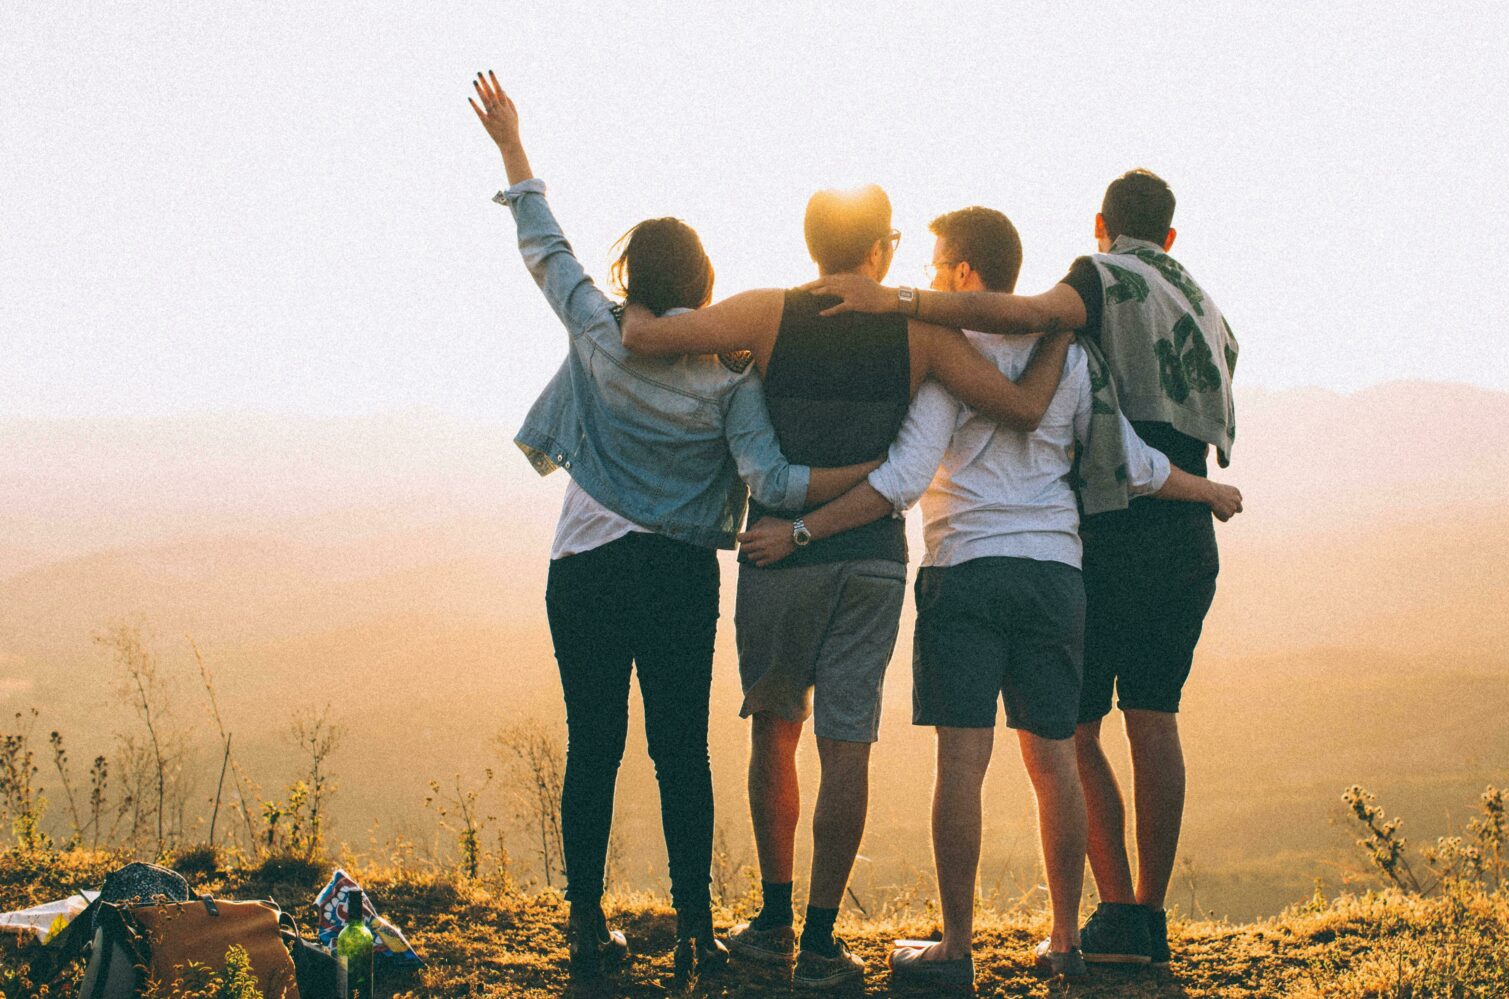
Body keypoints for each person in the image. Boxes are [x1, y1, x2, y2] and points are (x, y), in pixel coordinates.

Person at [741, 207, 1241, 990]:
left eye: (941, 265)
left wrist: (801, 531)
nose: (934, 278)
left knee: (962, 764)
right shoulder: (1069, 357)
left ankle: (958, 947)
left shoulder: (949, 359)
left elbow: (902, 481)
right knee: (1054, 761)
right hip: (1056, 575)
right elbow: (1133, 461)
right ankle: (1067, 940)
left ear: (967, 273)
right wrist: (1205, 489)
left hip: (966, 571)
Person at [469, 72, 882, 995]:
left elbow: (544, 246)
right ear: (702, 285)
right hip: (679, 576)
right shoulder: (728, 376)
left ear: (630, 279)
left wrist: (511, 146)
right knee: (680, 750)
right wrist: (877, 474)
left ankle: (585, 927)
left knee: (593, 744)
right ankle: (695, 931)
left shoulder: (598, 331)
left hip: (582, 566)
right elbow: (770, 482)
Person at [620, 187, 1072, 990]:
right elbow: (1021, 407)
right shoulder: (919, 333)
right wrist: (1063, 328)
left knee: (774, 727)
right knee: (846, 742)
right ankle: (823, 940)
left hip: (776, 556)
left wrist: (634, 306)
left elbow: (655, 336)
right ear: (879, 254)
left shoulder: (765, 313)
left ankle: (772, 919)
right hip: (871, 559)